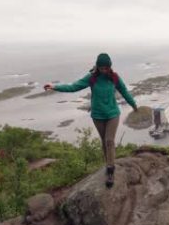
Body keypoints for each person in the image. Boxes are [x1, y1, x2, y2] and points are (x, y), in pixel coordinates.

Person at [44, 53, 137, 188]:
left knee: (109, 141)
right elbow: (73, 87)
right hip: (98, 116)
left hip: (112, 114)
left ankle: (111, 170)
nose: (104, 70)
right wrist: (55, 86)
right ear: (98, 67)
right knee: (104, 142)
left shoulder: (114, 78)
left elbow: (124, 91)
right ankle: (108, 164)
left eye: (106, 68)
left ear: (110, 67)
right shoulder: (92, 78)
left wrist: (133, 105)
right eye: (101, 68)